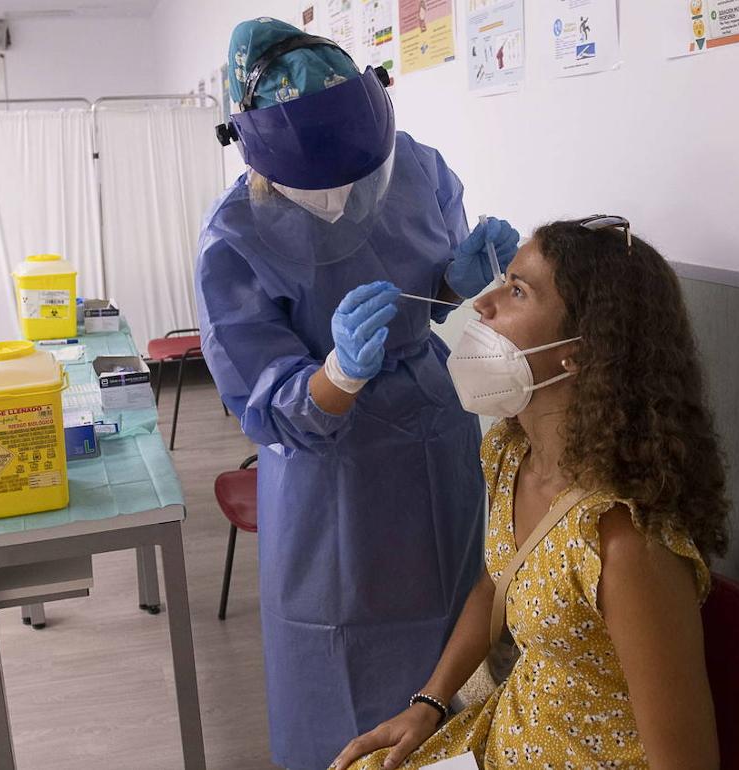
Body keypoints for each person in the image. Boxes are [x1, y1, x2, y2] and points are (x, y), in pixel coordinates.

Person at [197, 18, 520, 770]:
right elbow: (267, 395)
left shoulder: (418, 170)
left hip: (436, 437)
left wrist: (457, 286)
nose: (343, 197)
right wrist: (338, 372)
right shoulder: (234, 237)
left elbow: (439, 301)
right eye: (318, 188)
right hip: (331, 476)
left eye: (358, 172)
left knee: (456, 633)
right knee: (341, 669)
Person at [332, 217, 728, 770]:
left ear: (581, 351)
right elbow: (499, 580)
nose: (483, 304)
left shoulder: (626, 545)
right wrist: (427, 703)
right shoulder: (509, 453)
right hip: (513, 731)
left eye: (517, 290)